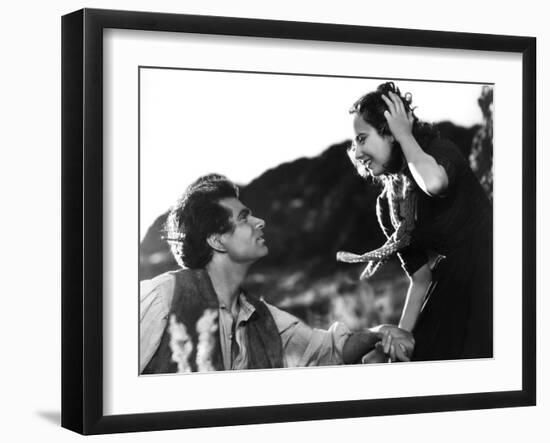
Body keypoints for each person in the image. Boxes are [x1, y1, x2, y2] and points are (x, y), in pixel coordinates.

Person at [140, 173, 414, 374]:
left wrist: (378, 333)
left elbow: (329, 351)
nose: (260, 222)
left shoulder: (265, 320)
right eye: (244, 218)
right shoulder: (161, 298)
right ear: (217, 240)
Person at [338, 82, 493, 361]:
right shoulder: (389, 207)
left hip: (499, 273)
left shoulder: (438, 152)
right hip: (452, 287)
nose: (357, 152)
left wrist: (404, 134)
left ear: (389, 132)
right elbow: (420, 280)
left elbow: (434, 183)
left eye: (362, 138)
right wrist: (398, 340)